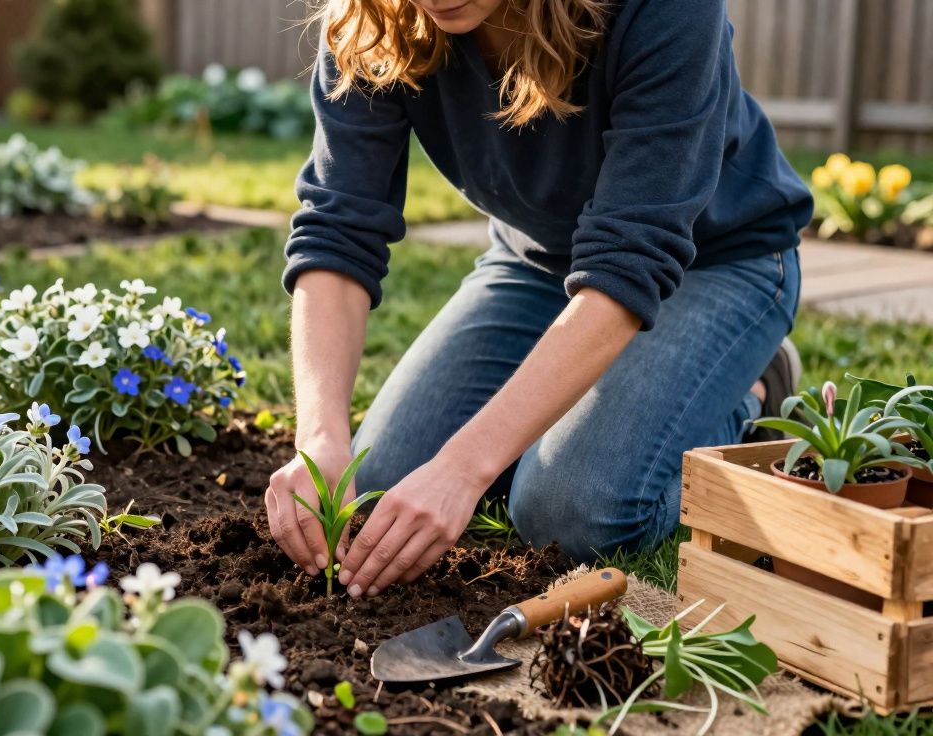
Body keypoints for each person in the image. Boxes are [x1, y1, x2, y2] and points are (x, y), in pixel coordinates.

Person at [265, 0, 813, 599]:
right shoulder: (375, 17)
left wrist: (464, 467)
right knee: (379, 482)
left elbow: (630, 258)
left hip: (718, 259)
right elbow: (337, 230)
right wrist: (319, 442)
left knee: (568, 514)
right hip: (537, 262)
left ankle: (758, 393)